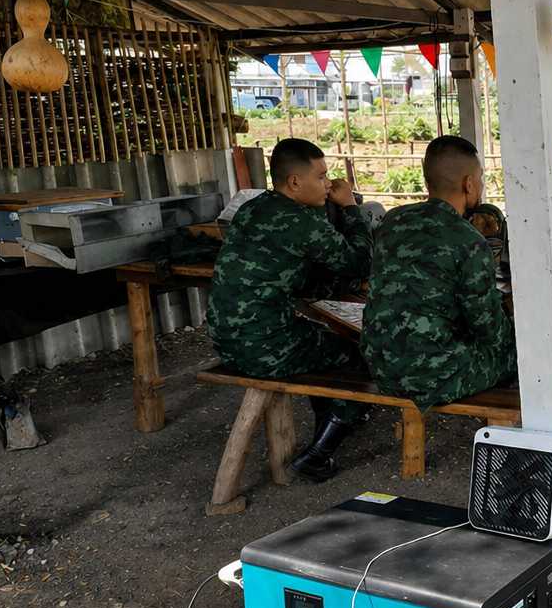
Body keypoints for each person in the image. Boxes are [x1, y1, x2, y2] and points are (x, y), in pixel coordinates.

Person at [207, 138, 373, 482]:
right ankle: (319, 453)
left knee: (323, 341)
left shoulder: (253, 208)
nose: (329, 185)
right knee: (360, 353)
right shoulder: (301, 221)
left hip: (225, 338)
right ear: (295, 182)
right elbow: (358, 262)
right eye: (323, 177)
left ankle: (330, 424)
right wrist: (351, 206)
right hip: (264, 348)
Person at [363, 135, 516, 410]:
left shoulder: (392, 220)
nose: (480, 185)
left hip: (381, 366)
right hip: (433, 377)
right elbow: (488, 328)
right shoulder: (469, 241)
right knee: (520, 351)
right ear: (469, 183)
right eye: (480, 178)